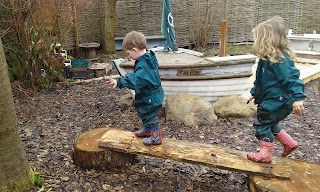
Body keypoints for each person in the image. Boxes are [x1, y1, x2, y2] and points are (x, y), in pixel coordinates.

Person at [246, 16, 307, 163]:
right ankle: (289, 143)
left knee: (262, 124)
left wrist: (298, 97)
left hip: (277, 100)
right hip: (274, 99)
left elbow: (292, 78)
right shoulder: (265, 58)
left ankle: (266, 154)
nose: (255, 42)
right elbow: (260, 80)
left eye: (257, 39)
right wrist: (254, 93)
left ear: (267, 40)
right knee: (270, 122)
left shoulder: (279, 59)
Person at [107, 31, 164, 145]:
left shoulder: (144, 65)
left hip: (150, 96)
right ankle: (148, 130)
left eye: (128, 53)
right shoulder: (148, 57)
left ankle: (156, 137)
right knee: (144, 113)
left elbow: (136, 79)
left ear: (134, 50)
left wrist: (119, 82)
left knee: (149, 115)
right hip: (150, 93)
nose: (129, 56)